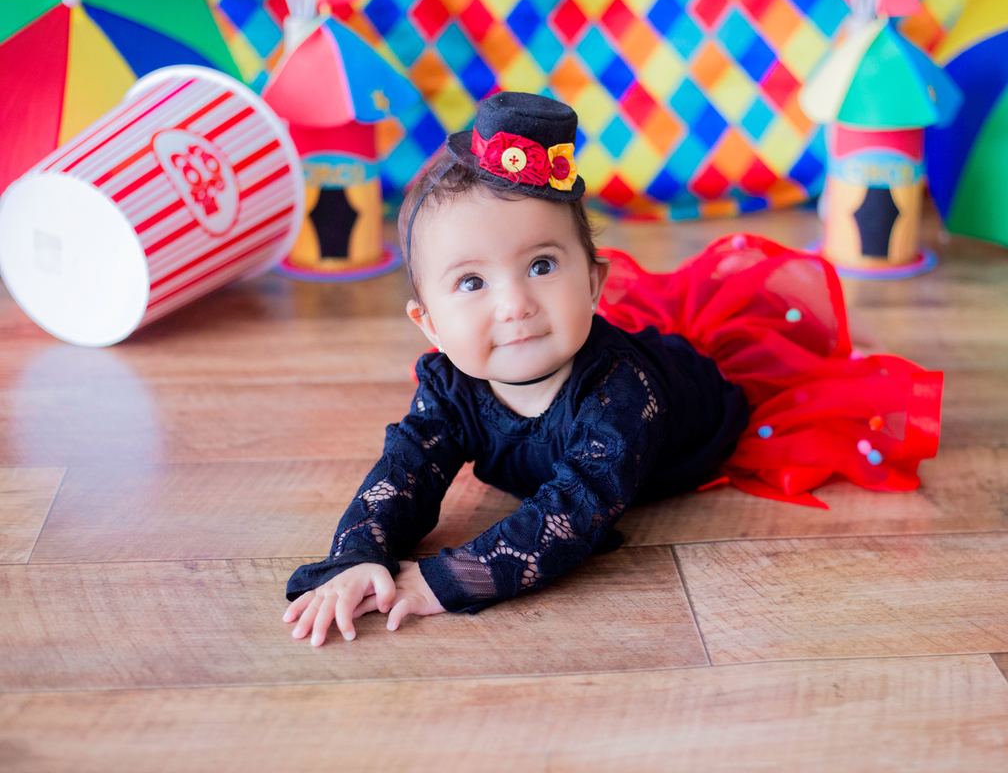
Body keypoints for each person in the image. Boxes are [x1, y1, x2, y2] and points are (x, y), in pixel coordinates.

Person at [283, 91, 943, 646]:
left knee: (729, 386)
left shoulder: (620, 394)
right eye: (471, 282)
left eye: (542, 266)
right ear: (428, 324)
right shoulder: (451, 387)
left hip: (690, 417)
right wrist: (357, 555)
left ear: (595, 285)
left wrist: (446, 578)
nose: (514, 304)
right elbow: (404, 469)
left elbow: (574, 511)